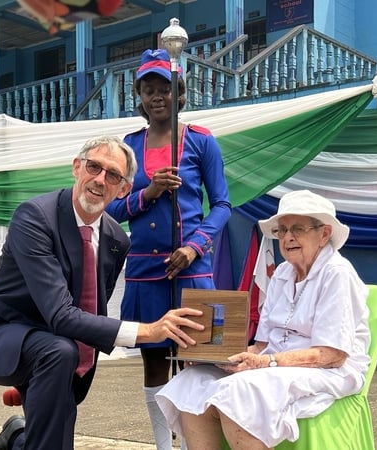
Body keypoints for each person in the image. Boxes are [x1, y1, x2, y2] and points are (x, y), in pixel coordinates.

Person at [0, 135, 205, 450]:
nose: (100, 179)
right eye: (94, 167)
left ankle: (16, 437)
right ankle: (21, 433)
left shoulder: (117, 239)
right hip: (0, 334)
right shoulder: (34, 217)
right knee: (59, 353)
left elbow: (90, 310)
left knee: (57, 433)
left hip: (57, 348)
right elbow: (62, 315)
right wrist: (150, 331)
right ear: (76, 167)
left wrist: (47, 383)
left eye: (113, 175)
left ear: (124, 189)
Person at [155, 190, 371, 450]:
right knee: (192, 379)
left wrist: (265, 362)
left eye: (298, 229)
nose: (288, 237)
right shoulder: (282, 273)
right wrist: (211, 354)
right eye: (283, 230)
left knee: (238, 391)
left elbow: (332, 354)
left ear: (324, 234)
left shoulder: (336, 274)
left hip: (329, 370)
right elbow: (261, 346)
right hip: (277, 363)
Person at [105, 48, 232, 449]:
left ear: (179, 93)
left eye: (165, 87)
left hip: (193, 269)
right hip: (145, 272)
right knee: (155, 360)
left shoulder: (201, 141)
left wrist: (195, 247)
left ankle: (202, 443)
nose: (157, 96)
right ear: (139, 97)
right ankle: (164, 446)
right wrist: (149, 192)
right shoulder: (126, 148)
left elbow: (223, 205)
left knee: (203, 360)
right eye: (148, 89)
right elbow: (110, 208)